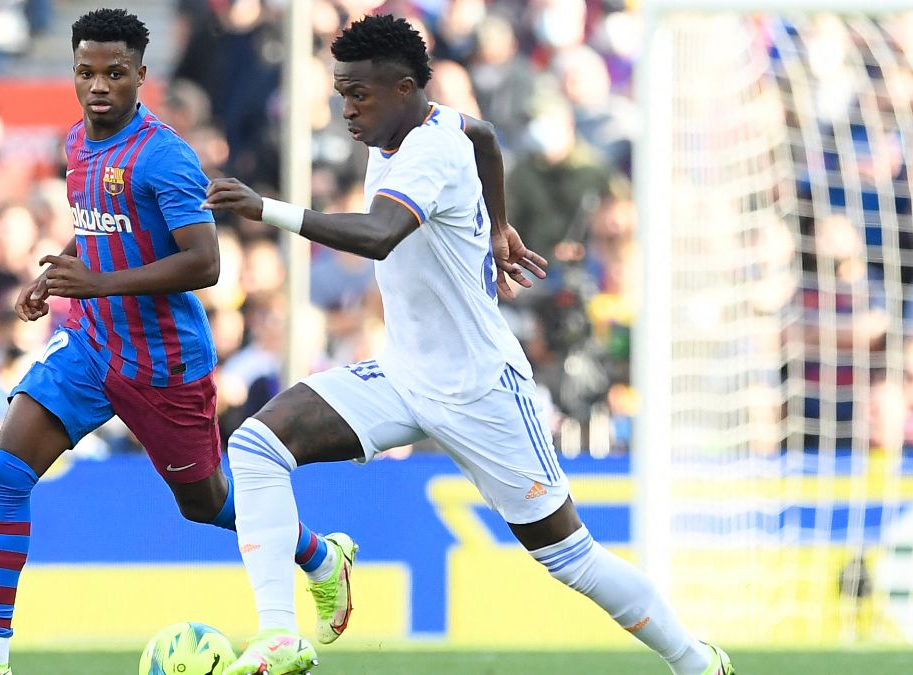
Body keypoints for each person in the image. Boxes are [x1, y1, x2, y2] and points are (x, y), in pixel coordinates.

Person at [203, 15, 735, 675]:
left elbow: (377, 233)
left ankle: (696, 660)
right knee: (257, 445)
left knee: (572, 558)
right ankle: (286, 622)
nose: (347, 110)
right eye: (342, 93)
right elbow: (483, 134)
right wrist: (498, 224)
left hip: (482, 389)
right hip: (402, 374)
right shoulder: (419, 125)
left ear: (403, 89)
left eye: (359, 96)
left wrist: (265, 208)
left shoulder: (429, 152)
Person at [0, 10, 352, 675]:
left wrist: (96, 281)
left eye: (114, 73)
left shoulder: (164, 154)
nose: (98, 85)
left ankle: (317, 554)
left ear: (140, 76)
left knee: (206, 502)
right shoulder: (77, 144)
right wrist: (57, 276)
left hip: (164, 363)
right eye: (85, 72)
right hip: (90, 347)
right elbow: (104, 229)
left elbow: (205, 262)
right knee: (7, 467)